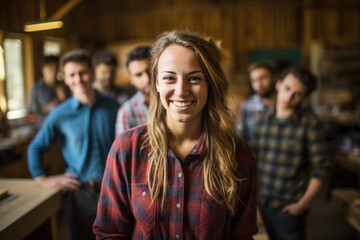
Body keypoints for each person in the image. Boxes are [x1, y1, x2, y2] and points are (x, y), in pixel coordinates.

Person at [93, 29, 258, 239]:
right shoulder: (127, 148)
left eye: (194, 78)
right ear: (157, 84)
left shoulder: (237, 154)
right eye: (170, 78)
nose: (181, 90)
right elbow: (110, 233)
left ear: (211, 83)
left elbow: (242, 236)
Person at [27, 49, 119, 240]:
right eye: (72, 75)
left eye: (83, 72)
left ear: (92, 72)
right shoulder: (59, 114)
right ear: (66, 79)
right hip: (80, 195)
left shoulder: (114, 107)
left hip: (115, 192)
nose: (78, 79)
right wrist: (42, 179)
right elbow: (35, 147)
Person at [252, 66, 330, 240]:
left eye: (298, 94)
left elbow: (322, 168)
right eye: (287, 89)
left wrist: (303, 205)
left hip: (290, 208)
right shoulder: (263, 119)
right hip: (263, 203)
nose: (289, 97)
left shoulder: (309, 124)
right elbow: (253, 160)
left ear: (304, 97)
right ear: (278, 84)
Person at [236, 62, 277, 143]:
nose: (258, 84)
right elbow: (240, 136)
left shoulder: (286, 104)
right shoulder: (247, 106)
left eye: (262, 78)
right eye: (253, 80)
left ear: (274, 78)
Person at [115, 46, 151, 135]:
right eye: (139, 75)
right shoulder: (126, 112)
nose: (147, 79)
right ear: (131, 80)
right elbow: (124, 148)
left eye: (150, 71)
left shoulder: (174, 101)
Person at [28, 55, 71, 128]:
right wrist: (57, 102)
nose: (54, 71)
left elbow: (72, 107)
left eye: (56, 68)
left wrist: (64, 99)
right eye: (50, 68)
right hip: (43, 128)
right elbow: (32, 113)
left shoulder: (64, 85)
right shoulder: (36, 88)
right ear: (43, 69)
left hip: (63, 127)